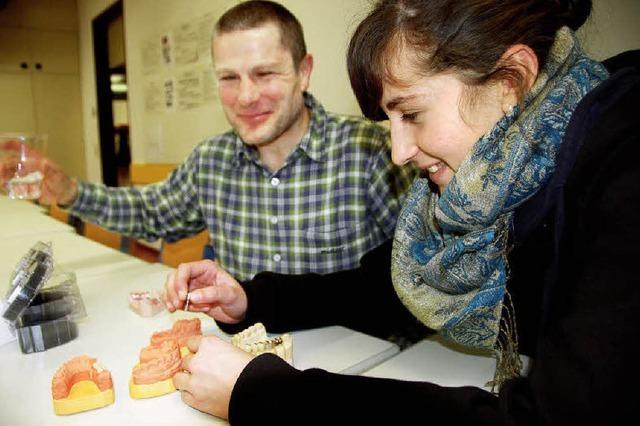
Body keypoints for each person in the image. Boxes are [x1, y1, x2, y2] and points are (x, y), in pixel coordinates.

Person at [162, 0, 640, 423]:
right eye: (389, 121)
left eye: (410, 114)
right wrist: (249, 300)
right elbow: (381, 289)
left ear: (510, 81)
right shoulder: (494, 182)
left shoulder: (623, 164)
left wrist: (267, 394)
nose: (398, 151)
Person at [0, 0, 415, 281]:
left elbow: (415, 274)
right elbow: (150, 213)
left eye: (265, 73)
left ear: (304, 71)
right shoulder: (211, 161)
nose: (246, 96)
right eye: (229, 78)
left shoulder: (370, 152)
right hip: (242, 361)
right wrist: (69, 190)